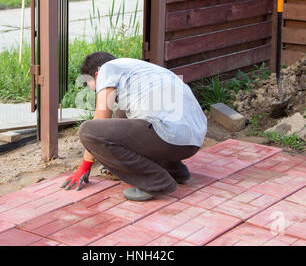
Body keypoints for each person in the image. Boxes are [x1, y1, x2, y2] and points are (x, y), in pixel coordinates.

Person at [61, 52, 207, 201]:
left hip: (170, 136)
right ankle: (173, 169)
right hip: (191, 142)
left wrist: (85, 166)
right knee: (122, 113)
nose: (96, 91)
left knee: (88, 131)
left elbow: (100, 119)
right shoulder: (138, 68)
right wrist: (118, 162)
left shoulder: (106, 69)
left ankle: (155, 181)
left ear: (97, 75)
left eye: (91, 87)